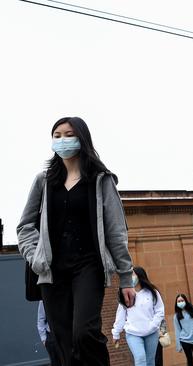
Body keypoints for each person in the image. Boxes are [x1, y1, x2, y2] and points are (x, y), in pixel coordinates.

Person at [17, 117, 135, 366]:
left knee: (85, 334)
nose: (62, 140)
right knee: (63, 340)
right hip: (52, 271)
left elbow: (116, 232)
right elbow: (25, 226)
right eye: (56, 135)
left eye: (68, 134)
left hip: (88, 267)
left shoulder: (101, 180)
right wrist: (35, 255)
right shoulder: (44, 180)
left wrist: (126, 278)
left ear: (81, 138)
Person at [111, 266, 165, 366]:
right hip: (133, 334)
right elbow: (120, 316)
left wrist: (153, 325)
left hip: (151, 333)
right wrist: (116, 333)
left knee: (150, 361)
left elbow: (160, 311)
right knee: (140, 359)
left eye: (132, 275)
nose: (129, 278)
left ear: (140, 276)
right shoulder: (126, 294)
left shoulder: (153, 293)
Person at [173, 294, 193, 366]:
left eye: (182, 300)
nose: (180, 302)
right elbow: (177, 330)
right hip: (184, 340)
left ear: (185, 301)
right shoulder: (176, 316)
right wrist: (178, 345)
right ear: (176, 303)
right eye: (179, 301)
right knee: (189, 359)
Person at [37, 300, 62, 366]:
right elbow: (40, 320)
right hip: (52, 338)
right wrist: (44, 339)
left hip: (67, 336)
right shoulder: (44, 298)